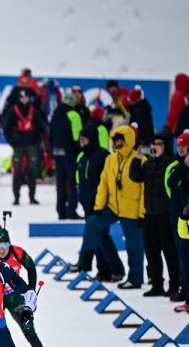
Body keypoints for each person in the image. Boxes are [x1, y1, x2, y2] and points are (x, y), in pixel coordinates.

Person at [0, 227, 62, 347]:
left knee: (29, 330)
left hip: (15, 297)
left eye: (5, 245)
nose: (1, 249)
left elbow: (31, 268)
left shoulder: (17, 252)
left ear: (9, 244)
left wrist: (31, 292)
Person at [86, 126, 146, 289]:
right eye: (116, 140)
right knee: (94, 224)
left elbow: (143, 188)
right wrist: (99, 207)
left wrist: (142, 212)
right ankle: (114, 269)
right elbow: (103, 184)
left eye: (122, 140)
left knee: (134, 245)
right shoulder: (110, 159)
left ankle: (135, 278)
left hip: (132, 208)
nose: (118, 143)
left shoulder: (140, 159)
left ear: (128, 141)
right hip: (113, 206)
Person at [130, 129, 180, 297]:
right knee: (151, 251)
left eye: (159, 144)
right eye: (154, 144)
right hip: (150, 213)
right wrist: (137, 158)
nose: (155, 147)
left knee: (169, 251)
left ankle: (174, 285)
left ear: (165, 146)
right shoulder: (148, 163)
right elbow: (135, 177)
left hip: (165, 214)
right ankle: (156, 284)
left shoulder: (171, 163)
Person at [72, 128, 124, 281]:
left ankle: (115, 269)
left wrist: (104, 203)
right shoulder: (82, 157)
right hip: (88, 204)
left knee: (102, 237)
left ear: (92, 138)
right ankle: (104, 271)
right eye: (81, 138)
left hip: (100, 205)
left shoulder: (102, 156)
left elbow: (108, 181)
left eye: (85, 138)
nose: (82, 141)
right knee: (99, 238)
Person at [2, 87, 47, 205]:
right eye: (22, 98)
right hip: (18, 145)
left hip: (31, 144)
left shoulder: (34, 111)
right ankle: (16, 197)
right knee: (17, 171)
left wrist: (36, 141)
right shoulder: (13, 111)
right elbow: (6, 127)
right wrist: (12, 142)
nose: (25, 100)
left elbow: (40, 127)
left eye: (26, 97)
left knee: (32, 171)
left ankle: (32, 197)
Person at [50, 91, 86, 219]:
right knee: (72, 182)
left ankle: (60, 210)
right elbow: (78, 137)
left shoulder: (55, 114)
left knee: (60, 182)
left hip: (57, 152)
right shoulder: (74, 114)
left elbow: (51, 134)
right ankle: (71, 210)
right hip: (70, 153)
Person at [170, 132, 189, 305]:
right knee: (183, 257)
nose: (181, 148)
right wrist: (184, 165)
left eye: (184, 145)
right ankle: (185, 292)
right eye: (179, 145)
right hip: (182, 218)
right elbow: (171, 182)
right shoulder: (177, 164)